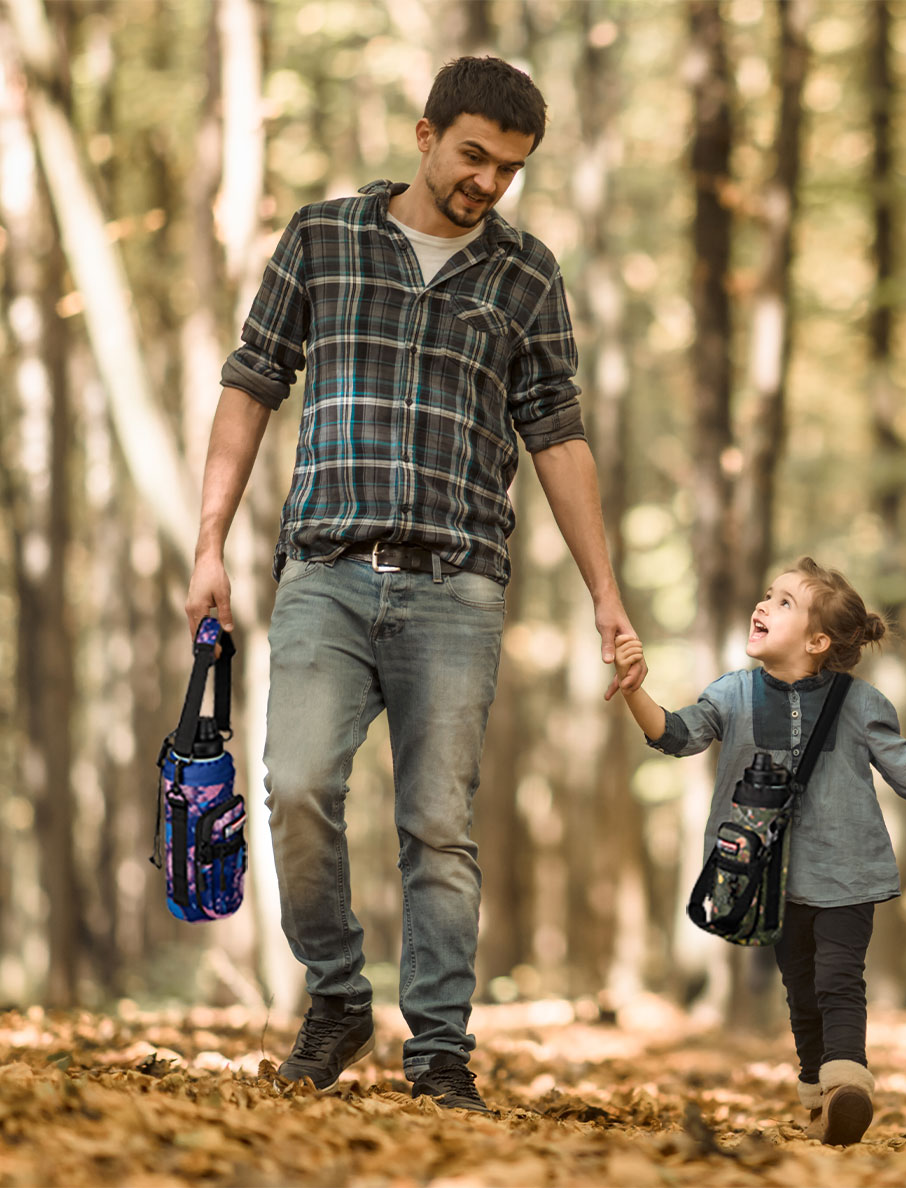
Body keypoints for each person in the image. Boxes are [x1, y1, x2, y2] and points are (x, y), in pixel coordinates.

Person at [185, 56, 641, 1113]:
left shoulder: (527, 274)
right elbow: (251, 387)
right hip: (324, 573)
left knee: (439, 826)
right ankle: (338, 996)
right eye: (474, 156)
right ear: (426, 132)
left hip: (458, 587)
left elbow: (558, 438)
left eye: (510, 169)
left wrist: (604, 595)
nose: (487, 182)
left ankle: (439, 1052)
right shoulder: (323, 237)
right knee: (295, 789)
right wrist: (209, 544)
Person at [612, 558, 906, 1146]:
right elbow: (675, 735)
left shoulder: (859, 702)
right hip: (769, 875)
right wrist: (637, 691)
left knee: (839, 979)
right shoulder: (732, 694)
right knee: (800, 987)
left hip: (849, 870)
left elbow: (904, 766)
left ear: (818, 642)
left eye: (784, 602)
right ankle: (821, 1097)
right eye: (767, 595)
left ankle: (848, 1085)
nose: (763, 605)